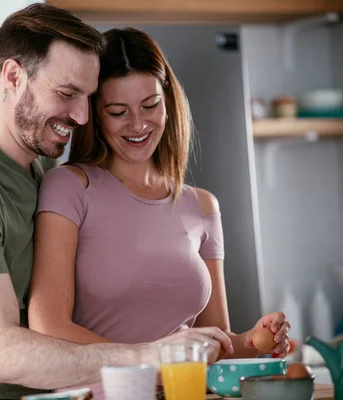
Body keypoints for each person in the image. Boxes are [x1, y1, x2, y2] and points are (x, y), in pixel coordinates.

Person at [0, 6, 235, 400]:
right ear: (12, 76)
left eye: (88, 98)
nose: (81, 115)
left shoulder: (41, 166)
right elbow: (0, 356)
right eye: (66, 94)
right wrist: (148, 357)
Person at [28, 27, 291, 395]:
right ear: (96, 116)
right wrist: (150, 356)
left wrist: (257, 339)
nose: (138, 125)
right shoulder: (70, 188)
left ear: (168, 101)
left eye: (150, 105)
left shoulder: (200, 205)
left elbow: (219, 343)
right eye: (118, 112)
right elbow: (48, 326)